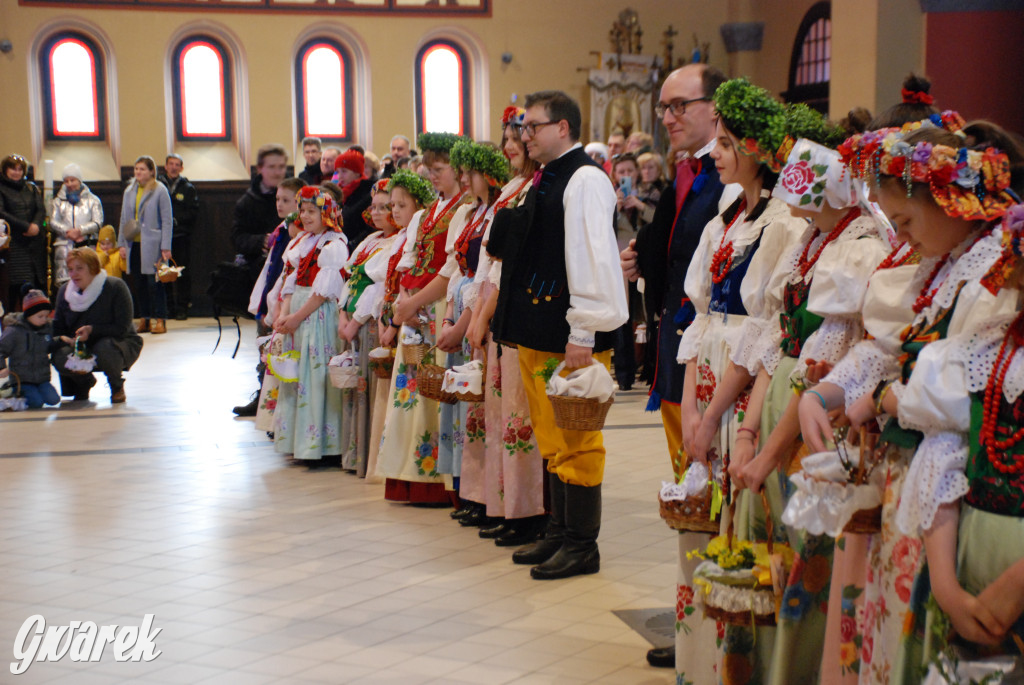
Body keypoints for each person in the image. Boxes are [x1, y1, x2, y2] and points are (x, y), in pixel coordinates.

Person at [798, 115, 1019, 685]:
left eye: (903, 219)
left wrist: (886, 397)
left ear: (949, 202)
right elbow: (891, 352)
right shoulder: (942, 267)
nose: (899, 236)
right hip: (917, 494)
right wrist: (829, 393)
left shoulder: (986, 278)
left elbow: (940, 400)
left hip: (951, 503)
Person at [675, 78, 809, 682]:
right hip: (707, 373)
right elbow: (702, 315)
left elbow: (764, 330)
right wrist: (687, 406)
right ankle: (702, 650)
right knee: (702, 508)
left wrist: (712, 413)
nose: (717, 153)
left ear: (757, 150)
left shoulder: (782, 223)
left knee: (735, 516)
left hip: (740, 382)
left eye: (727, 142)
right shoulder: (726, 217)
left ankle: (734, 658)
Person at [489, 90, 628, 581]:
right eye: (523, 128)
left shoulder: (586, 177)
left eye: (534, 126)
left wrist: (584, 330)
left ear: (563, 127)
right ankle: (557, 528)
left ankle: (580, 543)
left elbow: (592, 255)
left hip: (569, 330)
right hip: (537, 327)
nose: (525, 135)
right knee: (551, 436)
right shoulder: (542, 177)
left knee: (577, 436)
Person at [619, 62, 731, 670]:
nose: (666, 118)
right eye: (663, 107)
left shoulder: (731, 175)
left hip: (706, 360)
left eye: (678, 105)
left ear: (714, 109)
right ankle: (694, 625)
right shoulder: (690, 171)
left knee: (707, 493)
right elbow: (682, 248)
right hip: (675, 355)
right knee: (690, 493)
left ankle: (710, 625)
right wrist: (648, 257)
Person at [464, 106, 545, 546]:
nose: (512, 145)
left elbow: (503, 262)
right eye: (507, 139)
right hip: (493, 307)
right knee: (498, 413)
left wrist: (482, 312)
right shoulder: (512, 188)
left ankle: (526, 509)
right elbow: (486, 263)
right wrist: (478, 310)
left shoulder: (533, 188)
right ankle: (502, 501)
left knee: (518, 414)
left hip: (511, 306)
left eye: (518, 137)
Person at [376, 132, 468, 505]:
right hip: (416, 309)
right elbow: (408, 260)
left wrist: (414, 305)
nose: (433, 176)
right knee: (414, 392)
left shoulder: (463, 210)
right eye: (429, 169)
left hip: (441, 306)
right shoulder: (425, 215)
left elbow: (450, 268)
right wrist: (402, 303)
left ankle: (440, 481)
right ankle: (410, 476)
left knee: (437, 392)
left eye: (439, 169)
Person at [271, 186, 348, 463]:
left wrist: (296, 317)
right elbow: (291, 282)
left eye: (311, 211)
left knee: (316, 378)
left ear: (326, 213)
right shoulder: (303, 243)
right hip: (300, 318)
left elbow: (322, 293)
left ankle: (323, 444)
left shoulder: (333, 245)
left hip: (317, 316)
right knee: (298, 377)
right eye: (302, 211)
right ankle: (300, 442)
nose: (304, 216)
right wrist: (284, 313)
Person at [337, 179, 402, 476]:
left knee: (371, 387)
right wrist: (342, 313)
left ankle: (372, 457)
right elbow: (350, 278)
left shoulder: (396, 243)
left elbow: (377, 290)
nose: (376, 213)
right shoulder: (370, 240)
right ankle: (355, 454)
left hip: (368, 321)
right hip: (352, 320)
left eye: (384, 207)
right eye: (373, 207)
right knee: (355, 388)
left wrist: (355, 321)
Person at [231, 143, 289, 416]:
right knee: (264, 340)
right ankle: (264, 397)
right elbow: (237, 238)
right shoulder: (248, 201)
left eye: (282, 166)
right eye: (272, 167)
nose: (278, 172)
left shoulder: (295, 195)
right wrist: (261, 241)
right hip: (263, 278)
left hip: (291, 283)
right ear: (260, 169)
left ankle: (284, 400)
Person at [51, 247, 143, 403]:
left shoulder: (115, 287)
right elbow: (58, 327)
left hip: (116, 341)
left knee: (104, 348)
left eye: (79, 268)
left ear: (93, 268)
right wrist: (64, 339)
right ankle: (83, 382)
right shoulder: (64, 292)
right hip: (80, 345)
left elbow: (122, 328)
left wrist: (92, 330)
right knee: (60, 355)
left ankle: (116, 385)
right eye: (71, 269)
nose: (74, 274)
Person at [118, 155, 173, 335]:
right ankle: (145, 319)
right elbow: (124, 219)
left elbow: (167, 220)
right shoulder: (129, 191)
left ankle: (160, 319)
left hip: (153, 244)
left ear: (151, 171)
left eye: (142, 169)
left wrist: (166, 246)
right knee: (139, 283)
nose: (138, 172)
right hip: (134, 243)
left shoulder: (159, 190)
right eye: (136, 169)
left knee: (155, 283)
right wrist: (122, 244)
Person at [0, 154, 45, 313]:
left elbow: (40, 210)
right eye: (13, 168)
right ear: (5, 169)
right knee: (13, 289)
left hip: (33, 245)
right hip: (13, 244)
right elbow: (2, 213)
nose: (16, 172)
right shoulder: (1, 188)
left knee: (33, 286)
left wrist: (36, 226)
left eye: (20, 169)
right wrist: (26, 227)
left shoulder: (31, 188)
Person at [0, 289, 59, 408]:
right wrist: (1, 367)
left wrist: (61, 340)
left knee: (54, 400)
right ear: (28, 315)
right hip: (22, 380)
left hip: (42, 378)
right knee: (36, 402)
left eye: (46, 316)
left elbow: (50, 345)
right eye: (40, 316)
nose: (44, 319)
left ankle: (37, 392)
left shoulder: (46, 328)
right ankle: (17, 395)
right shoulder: (14, 331)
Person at [158, 154, 199, 320]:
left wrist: (176, 221)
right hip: (161, 237)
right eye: (171, 164)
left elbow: (193, 212)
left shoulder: (187, 188)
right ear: (166, 166)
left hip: (181, 236)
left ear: (181, 168)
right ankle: (168, 307)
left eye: (177, 165)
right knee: (164, 272)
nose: (174, 167)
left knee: (182, 272)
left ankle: (182, 307)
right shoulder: (158, 186)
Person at [49, 163, 104, 287]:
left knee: (87, 280)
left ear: (79, 180)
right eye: (66, 181)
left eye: (72, 180)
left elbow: (97, 222)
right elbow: (52, 221)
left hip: (86, 244)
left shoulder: (93, 200)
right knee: (65, 284)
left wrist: (80, 231)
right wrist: (68, 232)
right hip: (64, 246)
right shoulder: (58, 201)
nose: (69, 184)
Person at [333, 148, 375, 248]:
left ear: (357, 172)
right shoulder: (340, 193)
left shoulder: (369, 194)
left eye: (344, 171)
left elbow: (369, 227)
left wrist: (351, 245)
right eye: (338, 172)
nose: (339, 177)